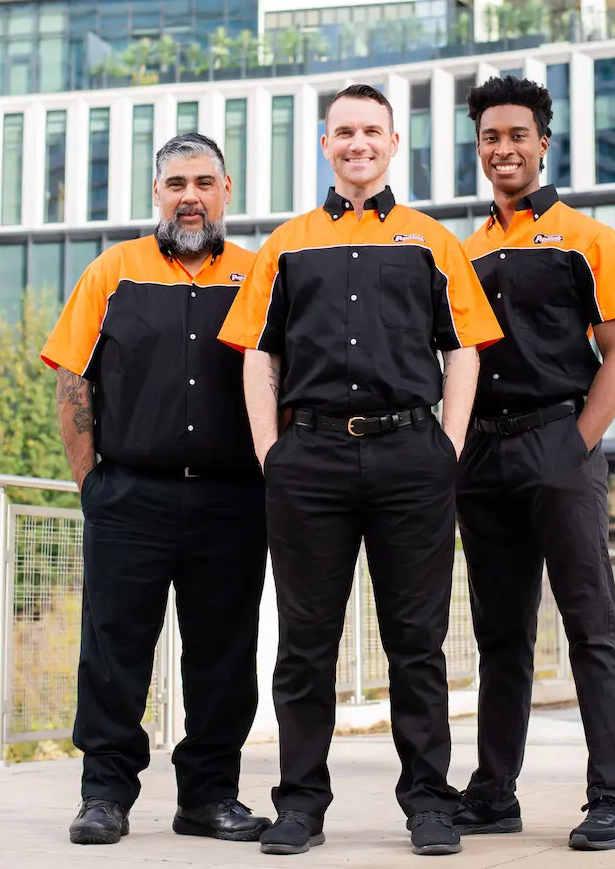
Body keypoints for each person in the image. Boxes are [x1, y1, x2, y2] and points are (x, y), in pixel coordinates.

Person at [218, 84, 502, 857]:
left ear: (391, 142)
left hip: (413, 455)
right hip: (307, 460)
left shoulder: (431, 242)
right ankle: (301, 805)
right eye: (343, 131)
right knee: (305, 642)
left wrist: (448, 443)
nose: (357, 143)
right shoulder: (286, 244)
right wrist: (269, 450)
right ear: (324, 143)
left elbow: (465, 349)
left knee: (418, 640)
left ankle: (428, 803)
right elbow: (256, 354)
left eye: (370, 130)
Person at [42, 133, 271, 847]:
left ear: (226, 191)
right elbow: (72, 381)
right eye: (176, 183)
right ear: (157, 194)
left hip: (234, 500)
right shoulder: (114, 272)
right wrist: (94, 485)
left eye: (205, 181)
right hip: (129, 497)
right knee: (113, 650)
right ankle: (105, 794)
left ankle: (209, 796)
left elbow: (282, 378)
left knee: (224, 654)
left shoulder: (258, 274)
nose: (191, 195)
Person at [452, 76, 615, 851]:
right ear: (481, 148)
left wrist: (576, 443)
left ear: (543, 143)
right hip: (482, 458)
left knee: (590, 625)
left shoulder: (586, 237)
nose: (504, 149)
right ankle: (494, 792)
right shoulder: (461, 251)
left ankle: (613, 799)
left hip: (558, 445)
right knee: (499, 634)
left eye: (517, 136)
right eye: (491, 137)